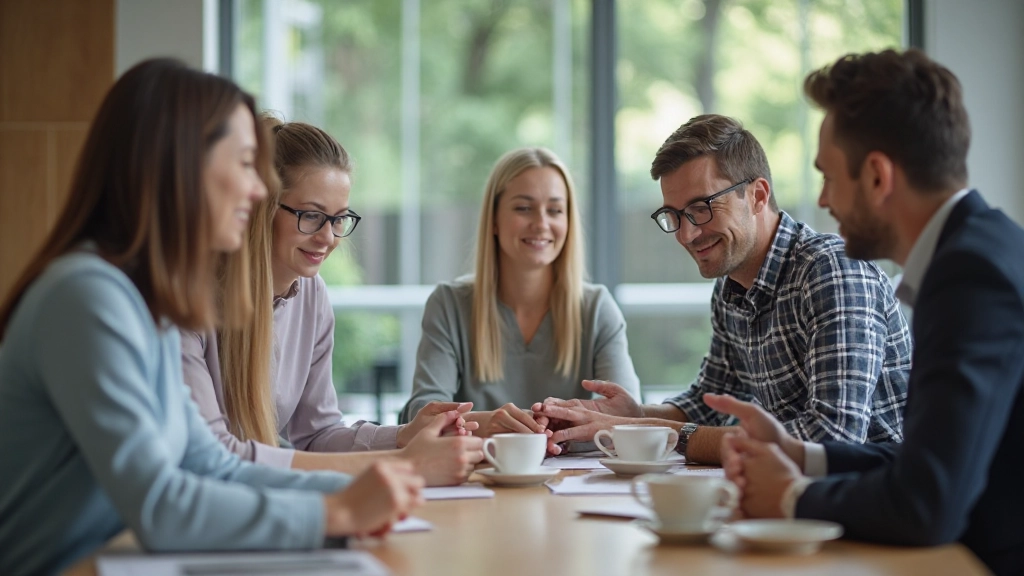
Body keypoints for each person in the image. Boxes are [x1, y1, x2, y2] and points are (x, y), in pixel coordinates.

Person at [0, 59, 422, 576]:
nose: (257, 191)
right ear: (180, 167)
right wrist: (336, 511)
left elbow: (208, 465)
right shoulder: (88, 296)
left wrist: (358, 490)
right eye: (245, 164)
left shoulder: (146, 299)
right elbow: (160, 505)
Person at [711, 49, 1024, 576]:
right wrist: (799, 454)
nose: (823, 200)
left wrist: (790, 498)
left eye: (829, 177)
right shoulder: (983, 249)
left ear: (877, 177)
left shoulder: (970, 275)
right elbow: (929, 460)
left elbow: (927, 504)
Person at [535, 114, 911, 463]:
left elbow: (832, 439)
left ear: (758, 196)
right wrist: (633, 415)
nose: (686, 234)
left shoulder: (832, 271)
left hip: (877, 500)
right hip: (801, 495)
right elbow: (706, 405)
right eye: (674, 215)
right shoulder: (731, 287)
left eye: (701, 207)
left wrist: (650, 431)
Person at [181, 117, 483, 486]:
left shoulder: (311, 295)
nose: (328, 238)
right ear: (260, 207)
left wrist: (404, 436)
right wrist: (403, 462)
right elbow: (215, 453)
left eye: (338, 219)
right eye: (311, 216)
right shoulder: (187, 299)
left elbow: (316, 434)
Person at [400, 147, 641, 440]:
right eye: (524, 208)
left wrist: (552, 432)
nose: (541, 223)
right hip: (479, 467)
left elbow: (626, 415)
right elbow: (423, 415)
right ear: (494, 219)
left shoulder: (597, 308)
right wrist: (489, 423)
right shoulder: (449, 305)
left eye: (555, 210)